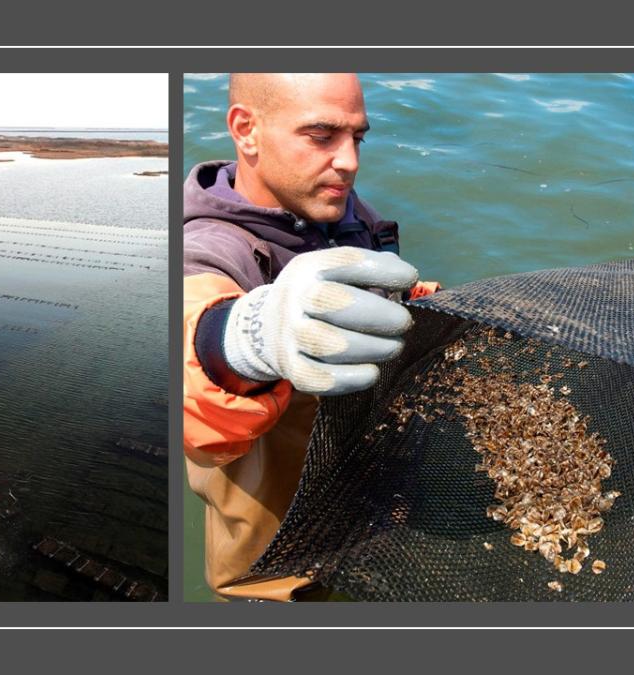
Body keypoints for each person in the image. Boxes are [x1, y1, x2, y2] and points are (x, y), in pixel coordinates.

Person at [183, 73, 438, 601]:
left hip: (356, 474)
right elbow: (192, 345)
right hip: (276, 539)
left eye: (357, 137)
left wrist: (416, 303)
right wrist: (248, 338)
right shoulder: (209, 247)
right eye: (322, 136)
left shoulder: (342, 209)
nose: (349, 161)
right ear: (246, 130)